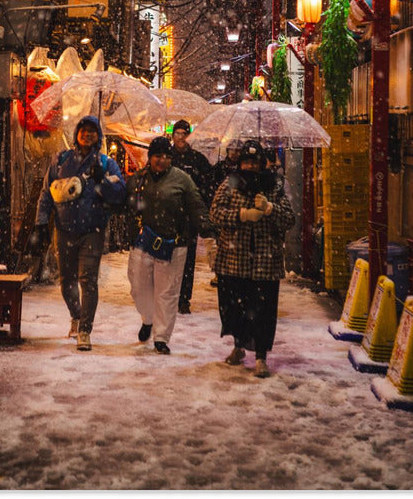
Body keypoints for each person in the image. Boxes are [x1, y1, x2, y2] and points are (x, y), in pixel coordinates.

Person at [32, 115, 126, 352]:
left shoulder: (106, 164)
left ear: (98, 136)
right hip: (63, 230)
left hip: (92, 231)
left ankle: (85, 330)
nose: (87, 134)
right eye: (83, 130)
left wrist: (101, 180)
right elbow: (46, 193)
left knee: (89, 281)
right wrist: (41, 223)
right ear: (76, 134)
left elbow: (119, 194)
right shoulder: (61, 160)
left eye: (92, 131)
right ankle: (76, 315)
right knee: (66, 282)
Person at [209, 139, 296, 378]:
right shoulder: (230, 183)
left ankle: (261, 357)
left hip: (264, 263)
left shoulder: (274, 186)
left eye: (254, 162)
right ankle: (238, 346)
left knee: (263, 311)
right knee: (234, 308)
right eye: (245, 162)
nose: (249, 167)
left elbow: (289, 219)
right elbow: (215, 214)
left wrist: (270, 209)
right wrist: (241, 215)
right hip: (234, 261)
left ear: (262, 164)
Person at [125, 135, 214, 355]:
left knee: (167, 293)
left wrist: (208, 233)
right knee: (138, 288)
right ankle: (148, 319)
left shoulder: (182, 180)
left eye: (166, 156)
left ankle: (161, 337)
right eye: (157, 155)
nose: (162, 160)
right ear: (150, 157)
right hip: (143, 243)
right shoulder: (139, 179)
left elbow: (196, 206)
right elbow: (125, 206)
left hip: (174, 245)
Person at [170, 120, 223, 310]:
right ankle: (168, 297)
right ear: (173, 135)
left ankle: (183, 299)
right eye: (178, 133)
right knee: (167, 259)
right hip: (168, 218)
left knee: (187, 259)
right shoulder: (166, 157)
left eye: (185, 134)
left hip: (189, 218)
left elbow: (208, 184)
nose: (181, 137)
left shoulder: (197, 159)